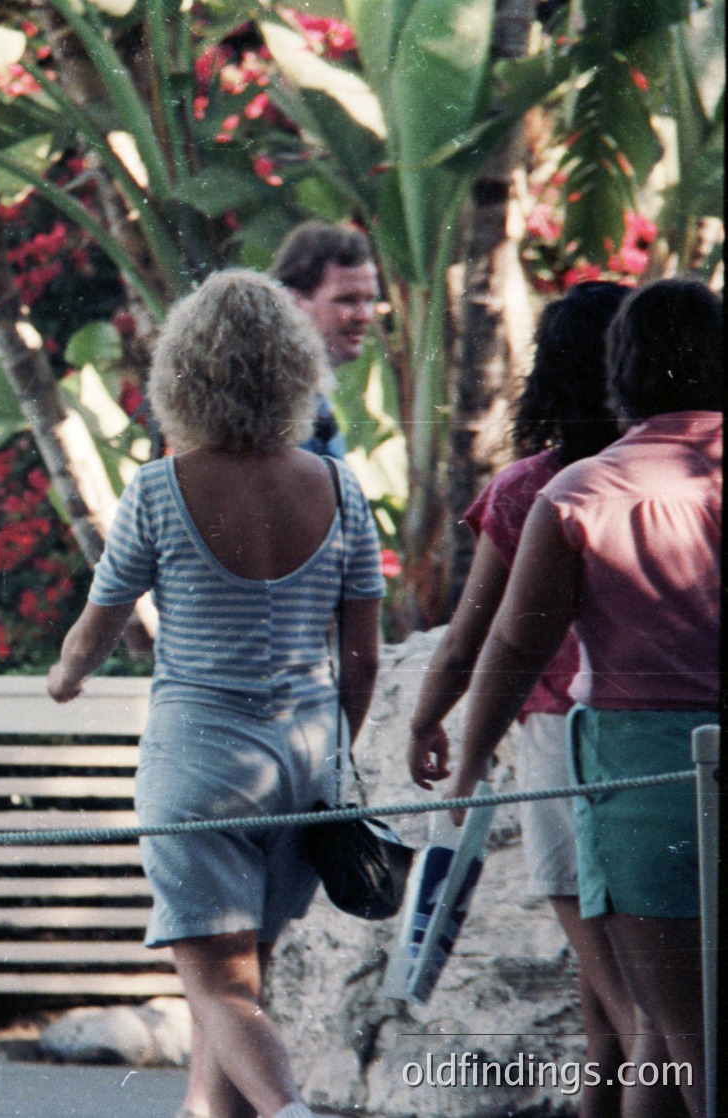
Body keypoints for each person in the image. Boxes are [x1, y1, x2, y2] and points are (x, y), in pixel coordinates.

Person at [46, 271, 384, 1118]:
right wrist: (333, 742)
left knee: (217, 986)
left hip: (198, 761)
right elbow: (364, 658)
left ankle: (290, 1112)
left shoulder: (162, 489)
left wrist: (65, 679)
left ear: (183, 374)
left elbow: (97, 625)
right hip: (302, 767)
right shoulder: (341, 489)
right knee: (243, 982)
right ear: (294, 374)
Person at [440, 278, 720, 1118]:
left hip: (636, 770)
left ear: (621, 373)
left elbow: (515, 645)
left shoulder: (579, 493)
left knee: (675, 1035)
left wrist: (465, 766)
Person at [407, 282, 641, 1118]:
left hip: (556, 746)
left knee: (632, 1002)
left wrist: (433, 724)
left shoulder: (531, 490)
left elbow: (475, 641)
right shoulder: (682, 476)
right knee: (608, 987)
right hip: (661, 741)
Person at [270, 221, 382, 457]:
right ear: (294, 301)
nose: (364, 316)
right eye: (347, 300)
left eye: (370, 300)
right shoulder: (278, 405)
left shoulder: (311, 395)